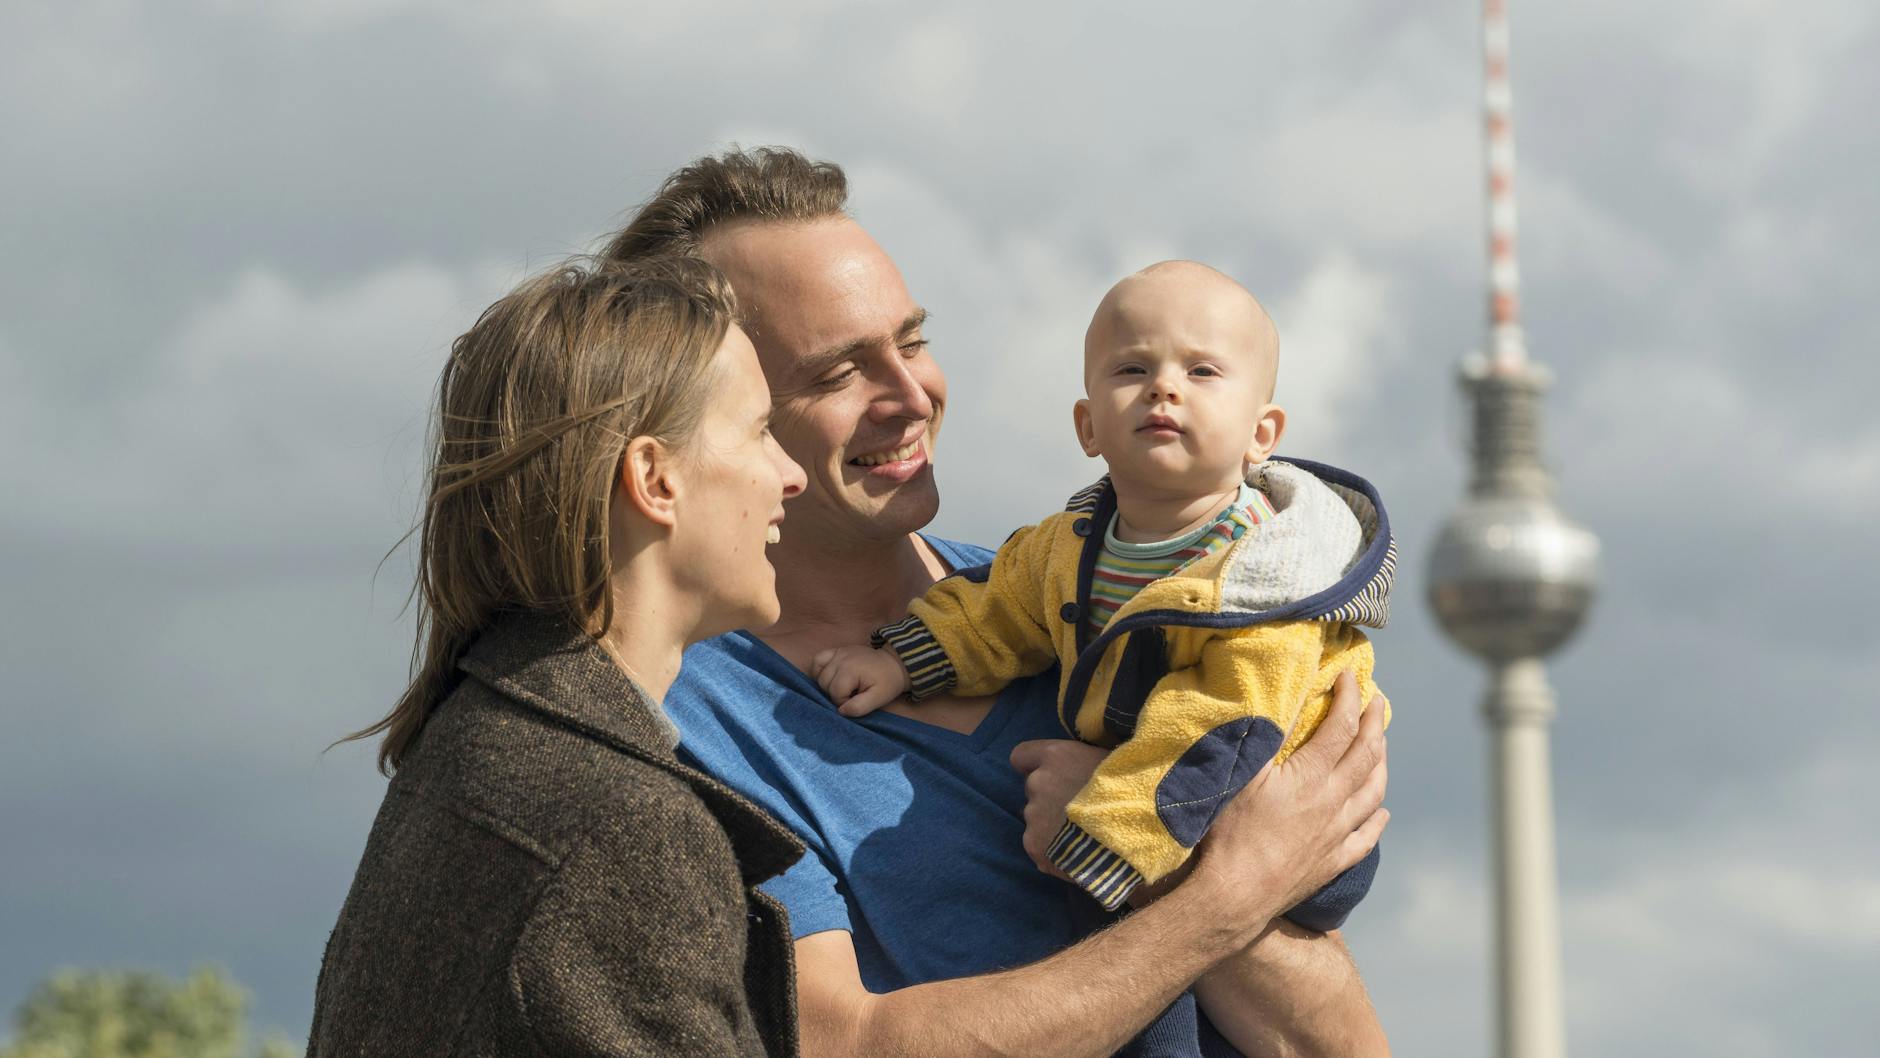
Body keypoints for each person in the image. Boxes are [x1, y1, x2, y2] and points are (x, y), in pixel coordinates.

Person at [602, 148, 1391, 1058]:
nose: (909, 397)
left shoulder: (1088, 593)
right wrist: (1219, 890)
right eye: (835, 373)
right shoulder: (685, 719)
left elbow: (1338, 1042)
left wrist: (1168, 865)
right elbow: (847, 1047)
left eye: (912, 342)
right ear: (713, 417)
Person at [309, 256, 810, 1057]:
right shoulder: (624, 830)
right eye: (761, 430)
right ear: (654, 478)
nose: (792, 475)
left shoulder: (477, 749)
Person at [812, 260, 1392, 918]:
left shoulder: (1261, 584)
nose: (1163, 389)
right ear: (1088, 426)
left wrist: (1108, 838)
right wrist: (898, 661)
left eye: (1201, 371)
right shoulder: (1070, 546)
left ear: (1261, 435)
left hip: (1284, 812)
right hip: (1148, 799)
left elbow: (1220, 723)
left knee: (1164, 999)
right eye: (1132, 369)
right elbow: (995, 613)